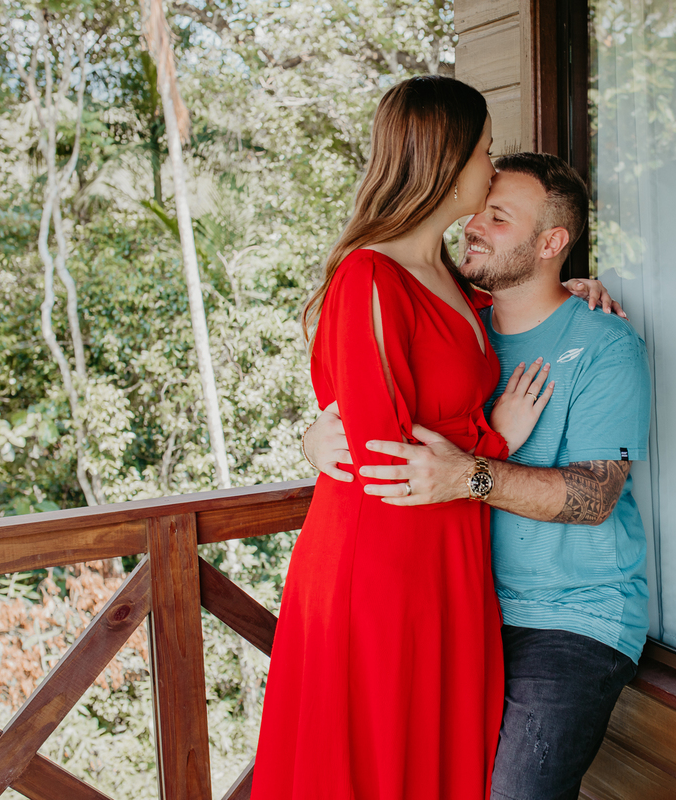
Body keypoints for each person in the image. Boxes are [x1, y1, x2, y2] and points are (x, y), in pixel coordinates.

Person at [250, 76, 563, 800]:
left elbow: (481, 323)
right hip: (382, 569)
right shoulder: (370, 276)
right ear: (447, 162)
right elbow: (385, 460)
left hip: (446, 556)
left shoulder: (443, 272)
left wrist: (571, 288)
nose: (490, 169)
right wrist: (498, 439)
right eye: (485, 151)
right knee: (379, 762)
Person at [305, 153, 652, 800]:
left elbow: (595, 495)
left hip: (571, 619)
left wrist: (471, 476)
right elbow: (375, 416)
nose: (473, 225)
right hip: (462, 606)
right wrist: (316, 438)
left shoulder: (605, 345)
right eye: (478, 209)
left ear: (552, 243)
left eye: (498, 216)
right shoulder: (459, 329)